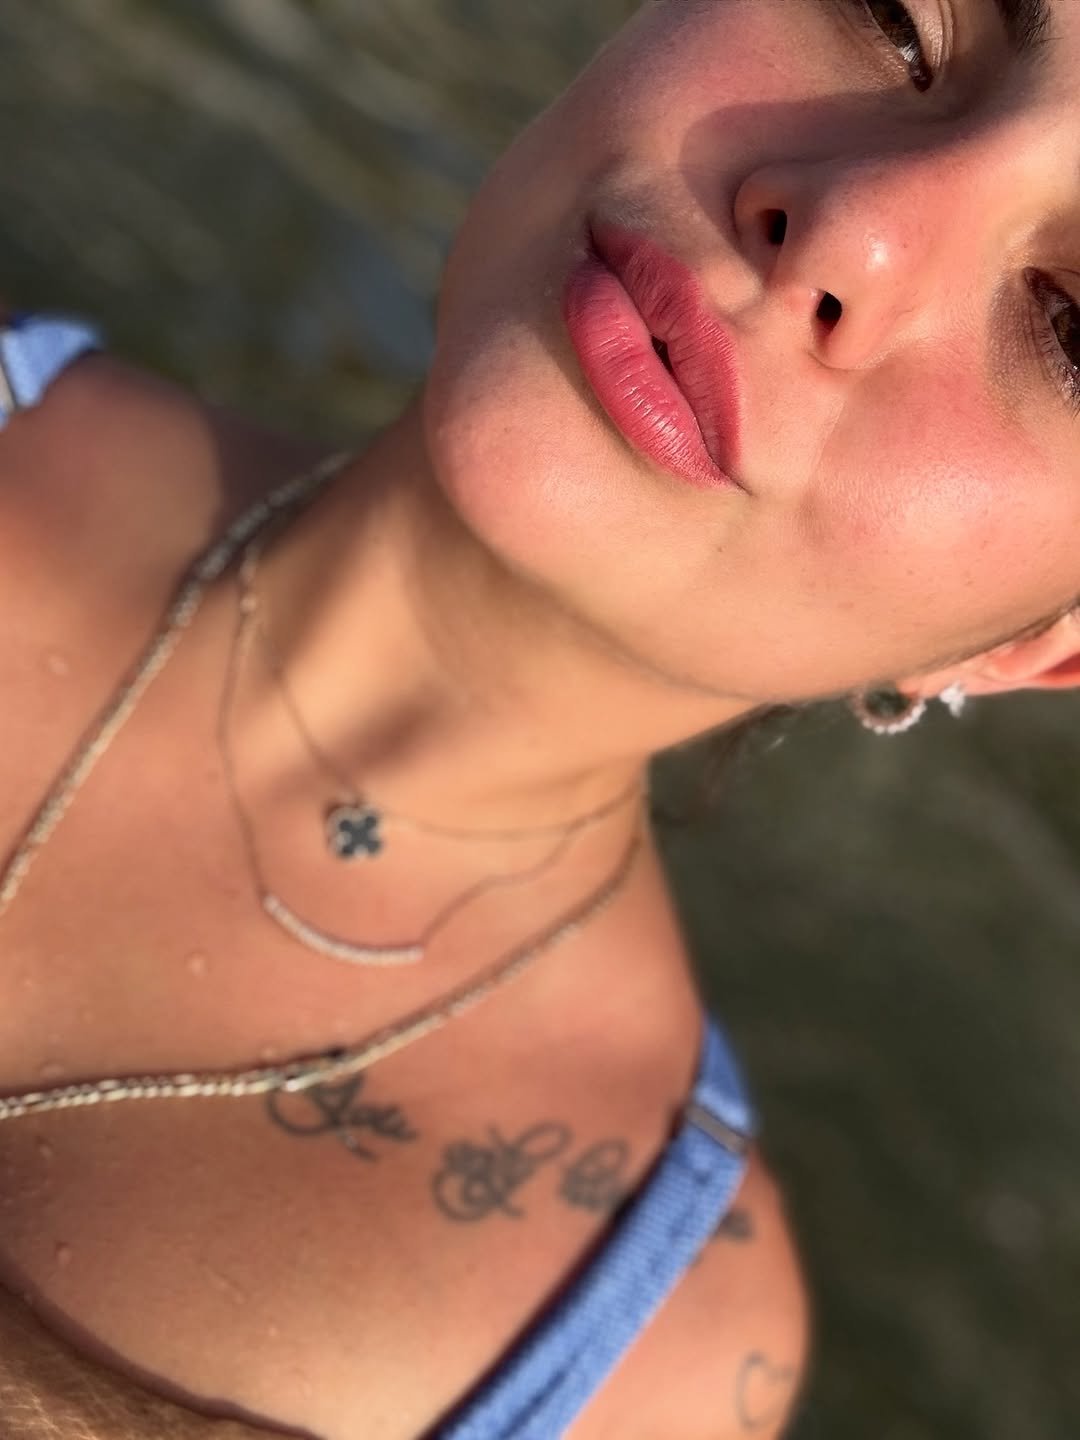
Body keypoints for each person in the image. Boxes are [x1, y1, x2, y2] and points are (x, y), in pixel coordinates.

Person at [1, 0, 1078, 1435]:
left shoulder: (648, 1364)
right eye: (897, 18)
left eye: (1073, 329)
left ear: (1040, 647)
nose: (853, 229)